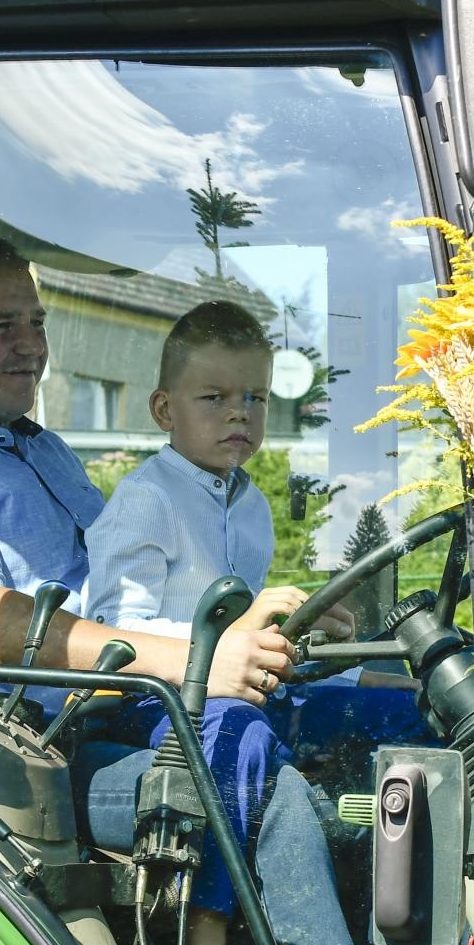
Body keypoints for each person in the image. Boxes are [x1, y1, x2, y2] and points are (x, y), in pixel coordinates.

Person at [0, 237, 357, 945]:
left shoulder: (34, 446)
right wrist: (197, 661)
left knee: (366, 723)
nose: (31, 347)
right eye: (2, 326)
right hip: (22, 756)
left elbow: (130, 582)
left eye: (38, 322)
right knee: (247, 751)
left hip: (123, 709)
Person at [83, 300, 427, 766]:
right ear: (164, 409)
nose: (239, 413)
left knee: (414, 711)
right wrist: (232, 634)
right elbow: (112, 637)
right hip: (157, 702)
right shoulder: (146, 499)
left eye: (255, 398)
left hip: (251, 690)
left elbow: (261, 644)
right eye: (214, 398)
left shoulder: (253, 506)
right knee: (240, 742)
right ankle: (267, 835)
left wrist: (362, 676)